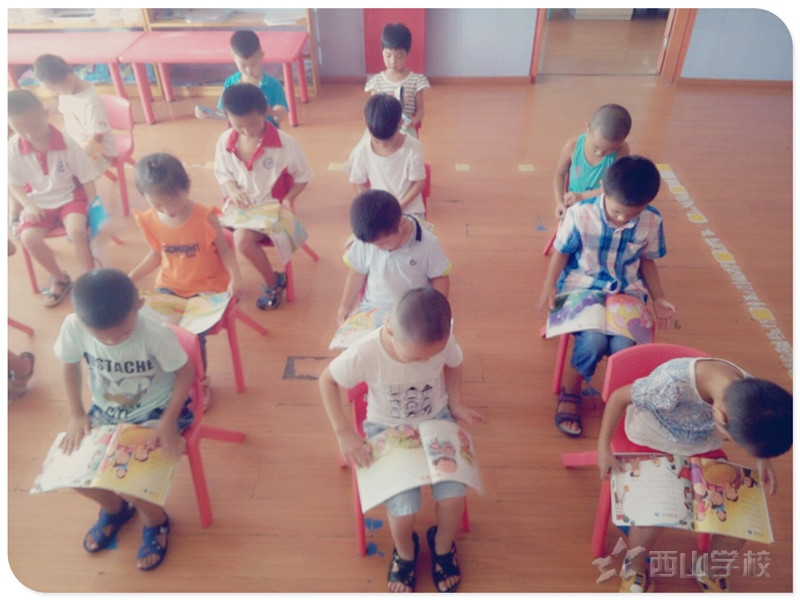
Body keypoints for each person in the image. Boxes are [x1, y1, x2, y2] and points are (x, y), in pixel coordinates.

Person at [319, 288, 485, 592]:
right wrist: (344, 432)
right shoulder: (366, 351)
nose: (426, 361)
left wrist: (457, 403)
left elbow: (454, 364)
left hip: (436, 420)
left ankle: (443, 546)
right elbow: (326, 381)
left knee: (452, 496)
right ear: (390, 328)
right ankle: (405, 552)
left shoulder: (440, 340)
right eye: (417, 356)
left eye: (432, 355)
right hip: (386, 429)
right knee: (404, 506)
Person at [597, 358, 792, 592]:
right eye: (733, 439)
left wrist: (762, 456)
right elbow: (618, 397)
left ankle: (711, 570)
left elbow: (763, 424)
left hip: (702, 448)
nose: (730, 440)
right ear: (719, 414)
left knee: (738, 518)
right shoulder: (670, 384)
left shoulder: (751, 393)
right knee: (648, 520)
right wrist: (603, 447)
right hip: (651, 442)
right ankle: (635, 568)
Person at [53, 268, 195, 571]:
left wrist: (168, 421)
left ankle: (156, 521)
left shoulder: (155, 332)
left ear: (139, 306)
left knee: (131, 483)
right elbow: (69, 365)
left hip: (155, 412)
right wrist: (76, 413)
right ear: (83, 321)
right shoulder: (74, 325)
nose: (112, 341)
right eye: (100, 336)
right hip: (105, 411)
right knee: (72, 474)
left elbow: (186, 374)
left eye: (124, 333)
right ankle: (115, 509)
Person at [537, 156, 677, 438]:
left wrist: (659, 298)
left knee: (623, 346)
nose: (623, 219)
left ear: (647, 204)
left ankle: (617, 397)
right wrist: (549, 285)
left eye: (632, 214)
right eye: (616, 211)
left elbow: (647, 261)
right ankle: (571, 389)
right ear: (603, 188)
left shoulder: (652, 220)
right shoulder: (580, 213)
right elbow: (561, 252)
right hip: (582, 286)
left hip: (627, 290)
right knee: (593, 341)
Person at [128, 152, 242, 410]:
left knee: (191, 335)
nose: (168, 211)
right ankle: (168, 378)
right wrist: (132, 276)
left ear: (186, 188)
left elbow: (225, 251)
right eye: (158, 205)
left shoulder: (205, 217)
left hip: (208, 289)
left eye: (175, 202)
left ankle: (200, 381)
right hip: (170, 287)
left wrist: (236, 277)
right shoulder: (149, 220)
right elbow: (156, 255)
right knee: (149, 327)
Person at [213, 82, 313, 310]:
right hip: (240, 210)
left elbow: (304, 176)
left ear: (266, 111)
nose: (247, 131)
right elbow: (222, 173)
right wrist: (232, 189)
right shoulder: (224, 141)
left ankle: (273, 282)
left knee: (242, 240)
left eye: (254, 124)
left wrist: (288, 199)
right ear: (228, 118)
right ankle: (222, 281)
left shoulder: (285, 144)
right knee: (206, 230)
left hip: (271, 209)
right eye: (238, 126)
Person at [8, 89, 100, 307]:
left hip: (70, 197)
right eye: (20, 130)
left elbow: (87, 179)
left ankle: (91, 280)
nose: (29, 134)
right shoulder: (11, 148)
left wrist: (94, 208)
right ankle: (60, 278)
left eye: (34, 126)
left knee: (77, 231)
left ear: (45, 113)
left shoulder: (67, 143)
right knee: (29, 238)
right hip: (37, 202)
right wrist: (28, 205)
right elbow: (14, 185)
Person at [336, 189, 450, 333]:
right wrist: (345, 306)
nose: (378, 248)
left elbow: (440, 277)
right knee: (355, 346)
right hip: (373, 308)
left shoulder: (427, 244)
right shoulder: (366, 241)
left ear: (401, 223)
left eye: (382, 244)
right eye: (374, 245)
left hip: (413, 310)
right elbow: (357, 272)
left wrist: (435, 310)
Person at [33, 53, 118, 174]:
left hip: (100, 153)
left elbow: (98, 137)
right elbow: (69, 115)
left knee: (68, 176)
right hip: (76, 145)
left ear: (69, 79)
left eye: (54, 89)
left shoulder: (91, 102)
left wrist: (81, 158)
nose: (54, 93)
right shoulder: (66, 91)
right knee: (47, 164)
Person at [348, 95, 427, 220]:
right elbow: (358, 182)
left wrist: (397, 208)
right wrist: (371, 205)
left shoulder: (413, 147)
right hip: (381, 211)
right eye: (377, 141)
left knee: (408, 232)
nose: (382, 145)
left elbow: (419, 183)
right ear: (366, 123)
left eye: (389, 140)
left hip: (410, 210)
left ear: (401, 122)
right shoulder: (362, 150)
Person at [194, 29, 288, 128]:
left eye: (253, 64)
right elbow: (226, 113)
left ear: (262, 55)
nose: (249, 70)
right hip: (239, 134)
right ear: (233, 57)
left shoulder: (273, 85)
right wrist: (208, 114)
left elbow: (279, 117)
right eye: (243, 65)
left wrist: (275, 112)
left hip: (266, 133)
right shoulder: (231, 83)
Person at [552, 104, 631, 220]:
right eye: (596, 147)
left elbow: (614, 186)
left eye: (610, 150)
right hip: (574, 204)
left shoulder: (622, 150)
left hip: (602, 206)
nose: (600, 153)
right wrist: (559, 203)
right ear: (588, 127)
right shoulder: (572, 147)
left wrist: (582, 196)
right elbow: (559, 174)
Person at [365, 22, 430, 138]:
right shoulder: (376, 82)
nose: (393, 61)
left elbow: (420, 110)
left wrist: (413, 121)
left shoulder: (416, 81)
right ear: (382, 52)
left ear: (408, 53)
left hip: (406, 130)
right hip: (383, 131)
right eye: (388, 55)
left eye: (399, 56)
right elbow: (373, 112)